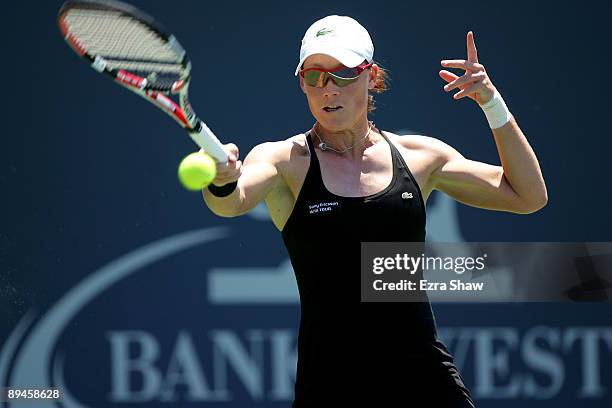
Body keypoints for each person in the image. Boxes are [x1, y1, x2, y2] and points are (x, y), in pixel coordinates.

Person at [202, 15, 547, 408]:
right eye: (315, 76)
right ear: (302, 83)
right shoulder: (284, 160)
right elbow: (231, 203)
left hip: (425, 382)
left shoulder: (421, 157)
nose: (328, 89)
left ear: (371, 75)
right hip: (331, 388)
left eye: (344, 74)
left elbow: (528, 196)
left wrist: (492, 103)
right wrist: (222, 178)